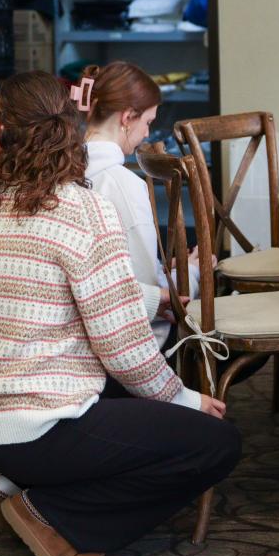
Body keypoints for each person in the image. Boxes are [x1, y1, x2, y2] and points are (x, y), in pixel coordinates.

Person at [0, 71, 239, 556]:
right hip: (40, 432)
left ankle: (9, 491)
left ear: (3, 129)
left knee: (124, 390)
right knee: (217, 443)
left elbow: (30, 296)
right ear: (71, 124)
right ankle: (55, 516)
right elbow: (125, 349)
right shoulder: (84, 208)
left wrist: (146, 307)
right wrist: (187, 400)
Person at [75, 61, 207, 350]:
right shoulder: (124, 185)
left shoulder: (66, 171)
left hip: (78, 334)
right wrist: (194, 271)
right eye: (147, 122)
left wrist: (163, 268)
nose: (147, 134)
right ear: (127, 117)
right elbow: (152, 303)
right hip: (131, 345)